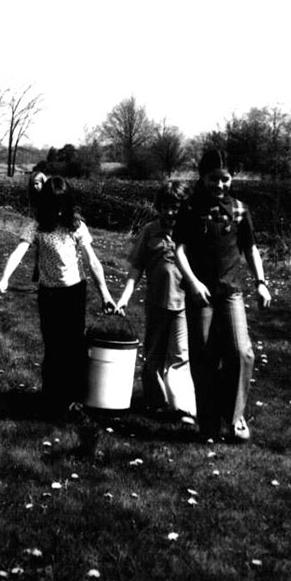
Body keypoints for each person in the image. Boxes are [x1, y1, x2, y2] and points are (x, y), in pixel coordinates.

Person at [0, 176, 117, 418]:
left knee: (74, 346)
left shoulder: (77, 226)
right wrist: (4, 278)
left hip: (74, 292)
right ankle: (52, 399)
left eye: (63, 204)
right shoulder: (37, 227)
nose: (59, 210)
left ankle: (74, 399)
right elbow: (18, 253)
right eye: (54, 205)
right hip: (49, 294)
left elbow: (92, 261)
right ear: (47, 204)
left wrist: (105, 294)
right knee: (53, 347)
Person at [174, 149, 271, 443]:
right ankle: (208, 422)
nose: (219, 185)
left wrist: (261, 282)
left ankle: (235, 415)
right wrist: (192, 283)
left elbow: (250, 249)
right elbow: (179, 249)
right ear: (202, 178)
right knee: (204, 357)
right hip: (200, 293)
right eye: (213, 179)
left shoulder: (240, 209)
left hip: (231, 292)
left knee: (241, 353)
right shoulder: (190, 209)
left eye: (225, 179)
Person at [116, 181, 196, 423]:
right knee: (153, 357)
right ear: (159, 207)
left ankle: (183, 408)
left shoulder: (191, 232)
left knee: (181, 356)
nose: (171, 212)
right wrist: (125, 298)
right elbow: (136, 268)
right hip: (156, 304)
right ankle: (156, 402)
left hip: (183, 304)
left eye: (177, 207)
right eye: (166, 207)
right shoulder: (150, 231)